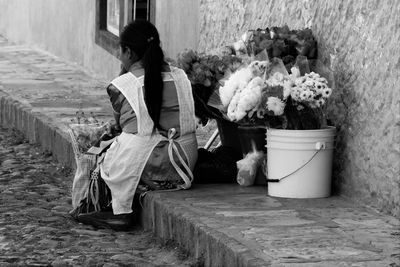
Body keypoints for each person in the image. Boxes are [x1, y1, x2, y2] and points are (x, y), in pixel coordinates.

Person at [76, 20, 198, 230]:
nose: (119, 55)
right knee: (137, 140)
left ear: (129, 53)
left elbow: (121, 126)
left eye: (120, 50)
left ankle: (117, 210)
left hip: (159, 166)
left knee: (99, 153)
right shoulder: (181, 76)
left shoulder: (122, 85)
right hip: (186, 160)